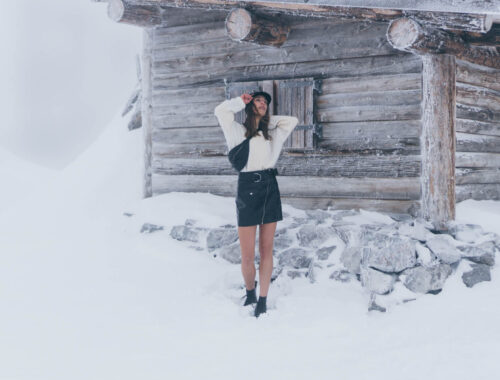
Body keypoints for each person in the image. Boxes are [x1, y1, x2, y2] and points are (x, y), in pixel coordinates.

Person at [214, 90, 299, 317]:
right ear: (251, 104)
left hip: (270, 188)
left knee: (266, 250)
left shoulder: (272, 134)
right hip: (247, 189)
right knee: (248, 254)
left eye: (265, 102)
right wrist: (240, 103)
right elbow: (220, 111)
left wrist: (265, 121)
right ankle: (250, 291)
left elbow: (293, 121)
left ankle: (263, 298)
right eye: (259, 100)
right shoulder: (237, 132)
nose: (263, 104)